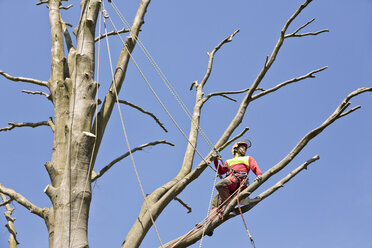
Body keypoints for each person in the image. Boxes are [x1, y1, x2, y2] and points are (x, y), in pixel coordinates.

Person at [206, 141, 262, 235]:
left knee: (220, 184)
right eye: (242, 147)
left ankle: (229, 206)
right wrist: (215, 160)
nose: (244, 149)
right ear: (236, 148)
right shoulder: (228, 161)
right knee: (215, 203)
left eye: (245, 148)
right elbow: (221, 171)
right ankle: (209, 225)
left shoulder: (248, 158)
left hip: (238, 181)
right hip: (229, 184)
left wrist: (259, 175)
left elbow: (254, 167)